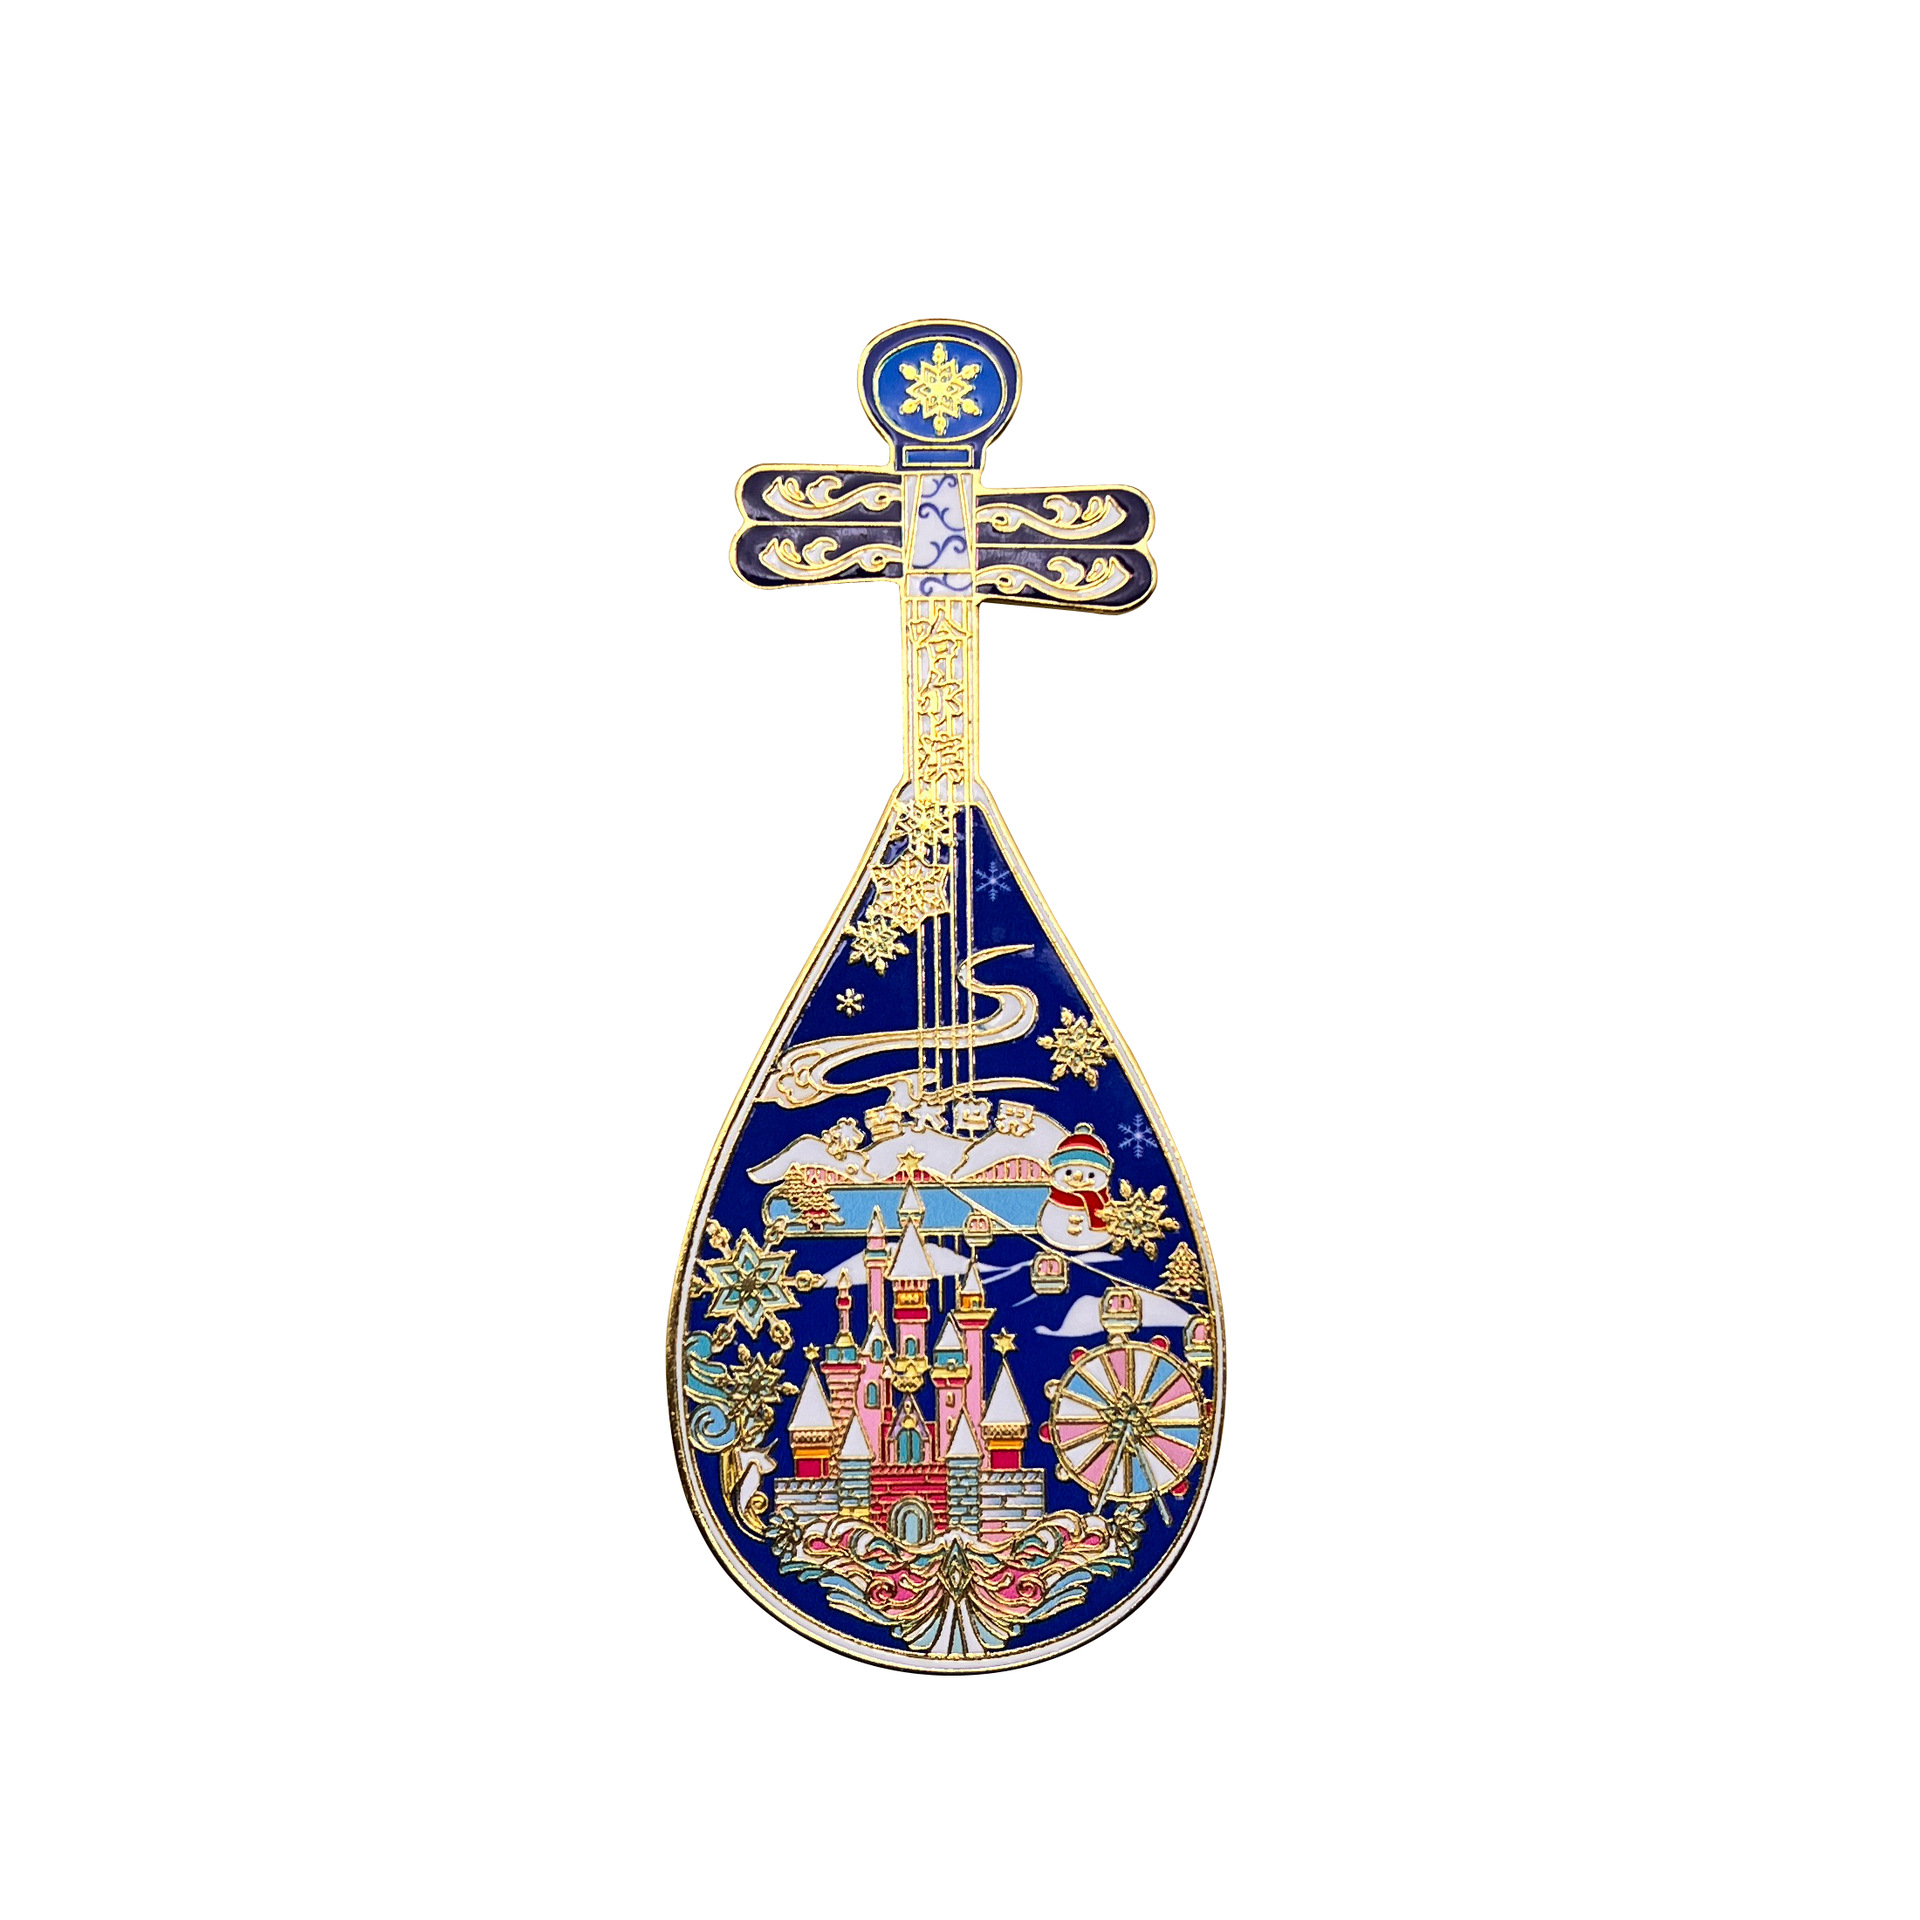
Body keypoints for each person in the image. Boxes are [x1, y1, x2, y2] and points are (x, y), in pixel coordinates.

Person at [1036, 1126, 1113, 1249]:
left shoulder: (1102, 1202)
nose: (1078, 1178)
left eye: (1091, 1175)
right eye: (1068, 1172)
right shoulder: (1056, 1199)